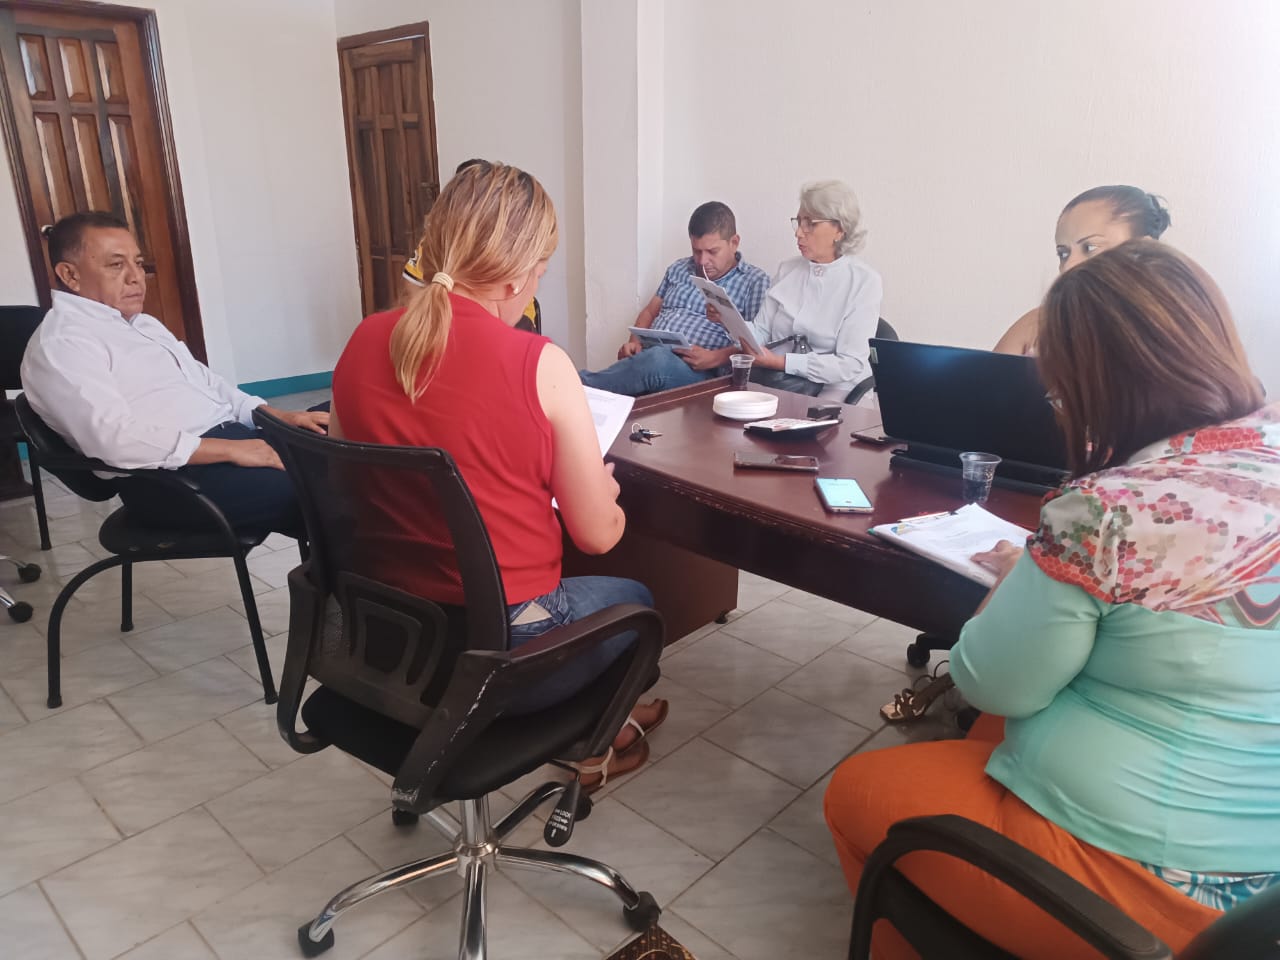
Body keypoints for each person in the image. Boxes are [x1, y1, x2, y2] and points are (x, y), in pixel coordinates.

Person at [824, 241, 1280, 959]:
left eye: (1061, 395)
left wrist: (1019, 578)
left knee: (857, 789)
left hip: (1153, 886)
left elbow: (989, 682)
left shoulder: (1109, 510)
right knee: (986, 735)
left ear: (1099, 388)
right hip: (1263, 884)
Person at [332, 161, 666, 789]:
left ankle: (607, 721)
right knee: (636, 601)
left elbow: (351, 481)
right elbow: (598, 535)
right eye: (542, 268)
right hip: (500, 665)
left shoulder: (363, 340)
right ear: (516, 276)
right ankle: (591, 738)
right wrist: (603, 491)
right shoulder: (538, 363)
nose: (539, 279)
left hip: (386, 641)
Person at [20, 211, 328, 537]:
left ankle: (336, 561)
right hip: (171, 480)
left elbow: (208, 383)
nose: (136, 277)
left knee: (344, 425)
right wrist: (231, 449)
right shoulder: (63, 344)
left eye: (138, 263)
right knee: (329, 487)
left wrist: (275, 417)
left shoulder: (143, 324)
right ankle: (336, 564)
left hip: (228, 442)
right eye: (116, 265)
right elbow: (113, 439)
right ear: (70, 275)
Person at [578, 201, 770, 396]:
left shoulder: (754, 282)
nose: (702, 261)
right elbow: (650, 311)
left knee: (657, 360)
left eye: (712, 252)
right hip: (651, 355)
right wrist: (634, 342)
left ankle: (576, 385)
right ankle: (580, 390)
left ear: (734, 243)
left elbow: (756, 344)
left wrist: (715, 358)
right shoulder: (679, 268)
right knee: (653, 360)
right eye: (696, 251)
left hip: (703, 371)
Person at [739, 181, 882, 401]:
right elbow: (761, 330)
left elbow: (849, 364)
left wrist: (782, 362)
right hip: (780, 382)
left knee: (802, 419)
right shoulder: (787, 269)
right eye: (798, 222)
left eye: (810, 224)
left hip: (836, 388)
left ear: (840, 229)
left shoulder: (864, 282)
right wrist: (728, 319)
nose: (798, 233)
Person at [994, 185, 1171, 355]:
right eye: (1063, 254)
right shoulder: (1037, 325)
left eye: (1090, 248)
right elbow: (987, 376)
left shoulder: (1169, 331)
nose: (1069, 265)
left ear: (1143, 249)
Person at [404, 158, 542, 334]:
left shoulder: (504, 237)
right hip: (452, 324)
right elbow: (412, 288)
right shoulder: (436, 240)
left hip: (513, 321)